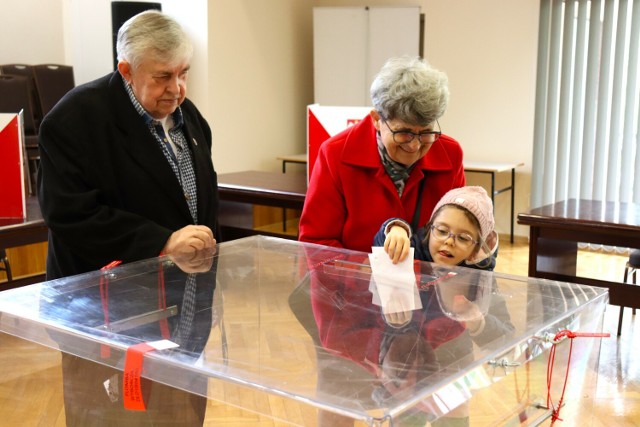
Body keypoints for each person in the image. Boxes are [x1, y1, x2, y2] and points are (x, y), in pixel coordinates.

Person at [37, 10, 219, 426]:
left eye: (183, 73)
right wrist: (162, 240)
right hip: (105, 319)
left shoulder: (190, 119)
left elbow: (199, 202)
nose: (177, 89)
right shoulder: (74, 119)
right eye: (162, 77)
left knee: (180, 417)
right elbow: (70, 215)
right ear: (126, 70)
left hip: (183, 309)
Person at [373, 185, 515, 426]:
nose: (448, 242)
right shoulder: (415, 250)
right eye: (442, 231)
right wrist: (395, 228)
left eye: (463, 238)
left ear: (475, 250)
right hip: (405, 363)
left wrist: (478, 323)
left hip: (453, 360)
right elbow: (384, 242)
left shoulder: (479, 277)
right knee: (406, 418)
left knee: (453, 418)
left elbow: (505, 336)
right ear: (430, 229)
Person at [299, 55, 465, 253]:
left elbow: (461, 228)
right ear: (377, 119)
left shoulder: (450, 153)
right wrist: (367, 275)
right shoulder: (335, 154)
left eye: (425, 132)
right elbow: (316, 242)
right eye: (403, 132)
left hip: (425, 280)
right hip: (354, 280)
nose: (414, 145)